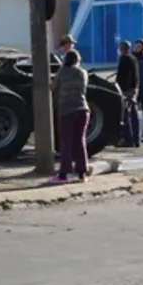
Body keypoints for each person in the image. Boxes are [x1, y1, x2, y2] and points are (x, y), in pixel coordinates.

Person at [47, 50, 92, 185]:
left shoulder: (62, 72)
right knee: (80, 141)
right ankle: (82, 173)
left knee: (66, 142)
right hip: (83, 109)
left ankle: (63, 174)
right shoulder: (83, 73)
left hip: (66, 110)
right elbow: (84, 90)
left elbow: (53, 87)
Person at [115, 41, 140, 148]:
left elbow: (122, 76)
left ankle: (128, 139)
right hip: (134, 89)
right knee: (134, 115)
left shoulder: (124, 59)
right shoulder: (134, 58)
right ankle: (136, 139)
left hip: (126, 90)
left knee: (126, 116)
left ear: (122, 49)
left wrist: (120, 88)